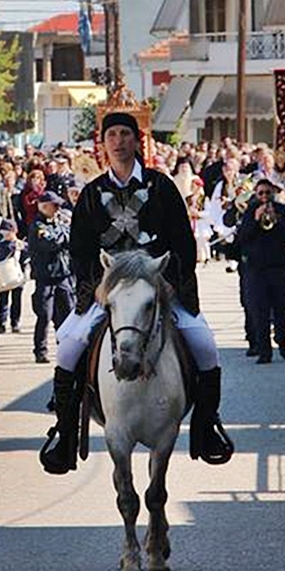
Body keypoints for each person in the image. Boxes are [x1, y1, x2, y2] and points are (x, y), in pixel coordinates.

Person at [39, 113, 234, 475]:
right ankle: (64, 434)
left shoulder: (161, 187)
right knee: (68, 350)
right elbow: (80, 248)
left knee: (206, 346)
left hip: (158, 286)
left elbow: (183, 241)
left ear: (136, 140)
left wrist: (172, 280)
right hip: (109, 291)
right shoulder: (93, 193)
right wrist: (96, 285)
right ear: (104, 143)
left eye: (125, 133)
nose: (118, 140)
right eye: (111, 134)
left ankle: (208, 428)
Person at [236, 178, 285, 363]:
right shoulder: (249, 212)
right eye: (260, 193)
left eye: (267, 193)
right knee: (259, 311)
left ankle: (281, 338)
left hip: (279, 267)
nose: (264, 197)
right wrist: (255, 219)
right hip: (256, 269)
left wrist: (277, 221)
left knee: (283, 308)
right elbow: (242, 238)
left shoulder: (281, 210)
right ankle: (264, 351)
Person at [28, 191, 74, 364]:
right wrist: (64, 233)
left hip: (62, 275)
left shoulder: (59, 223)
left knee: (68, 313)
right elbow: (50, 244)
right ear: (44, 206)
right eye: (54, 206)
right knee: (44, 316)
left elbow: (71, 239)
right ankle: (40, 350)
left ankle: (66, 347)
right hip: (45, 276)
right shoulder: (38, 226)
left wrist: (64, 230)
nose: (57, 209)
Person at [0, 220, 26, 334]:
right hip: (4, 276)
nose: (6, 234)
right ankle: (2, 322)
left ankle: (15, 322)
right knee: (3, 300)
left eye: (9, 231)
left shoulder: (21, 245)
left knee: (16, 300)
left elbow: (27, 258)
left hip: (17, 276)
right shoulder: (0, 245)